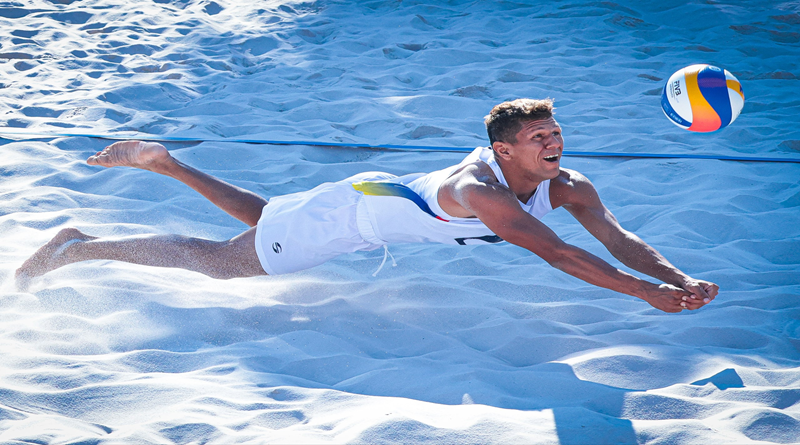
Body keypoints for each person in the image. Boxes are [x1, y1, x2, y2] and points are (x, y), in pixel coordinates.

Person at [16, 98, 718, 313]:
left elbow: (616, 237)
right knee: (222, 265)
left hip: (364, 197)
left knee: (269, 221)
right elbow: (561, 253)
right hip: (347, 218)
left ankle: (166, 164)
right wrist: (644, 296)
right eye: (540, 137)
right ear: (505, 150)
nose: (555, 143)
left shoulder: (568, 184)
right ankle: (78, 247)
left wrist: (674, 276)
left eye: (557, 132)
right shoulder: (483, 192)